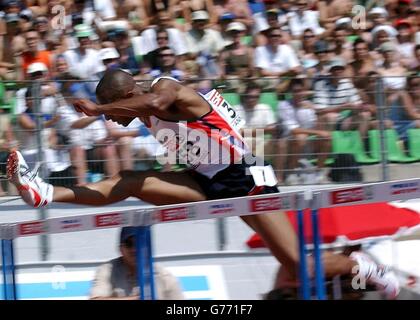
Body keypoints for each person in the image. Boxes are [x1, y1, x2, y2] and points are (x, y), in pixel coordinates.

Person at [6, 69, 400, 297]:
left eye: (116, 110)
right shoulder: (140, 107)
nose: (114, 121)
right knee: (130, 181)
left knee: (298, 267)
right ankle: (45, 193)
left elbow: (156, 104)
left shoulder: (166, 90)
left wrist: (98, 109)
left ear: (127, 95)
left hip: (246, 177)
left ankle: (363, 265)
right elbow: (142, 112)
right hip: (206, 180)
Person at [89, 226, 185, 300]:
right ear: (120, 249)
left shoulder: (164, 277)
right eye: (129, 244)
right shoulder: (107, 271)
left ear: (148, 248)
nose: (134, 249)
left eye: (139, 243)